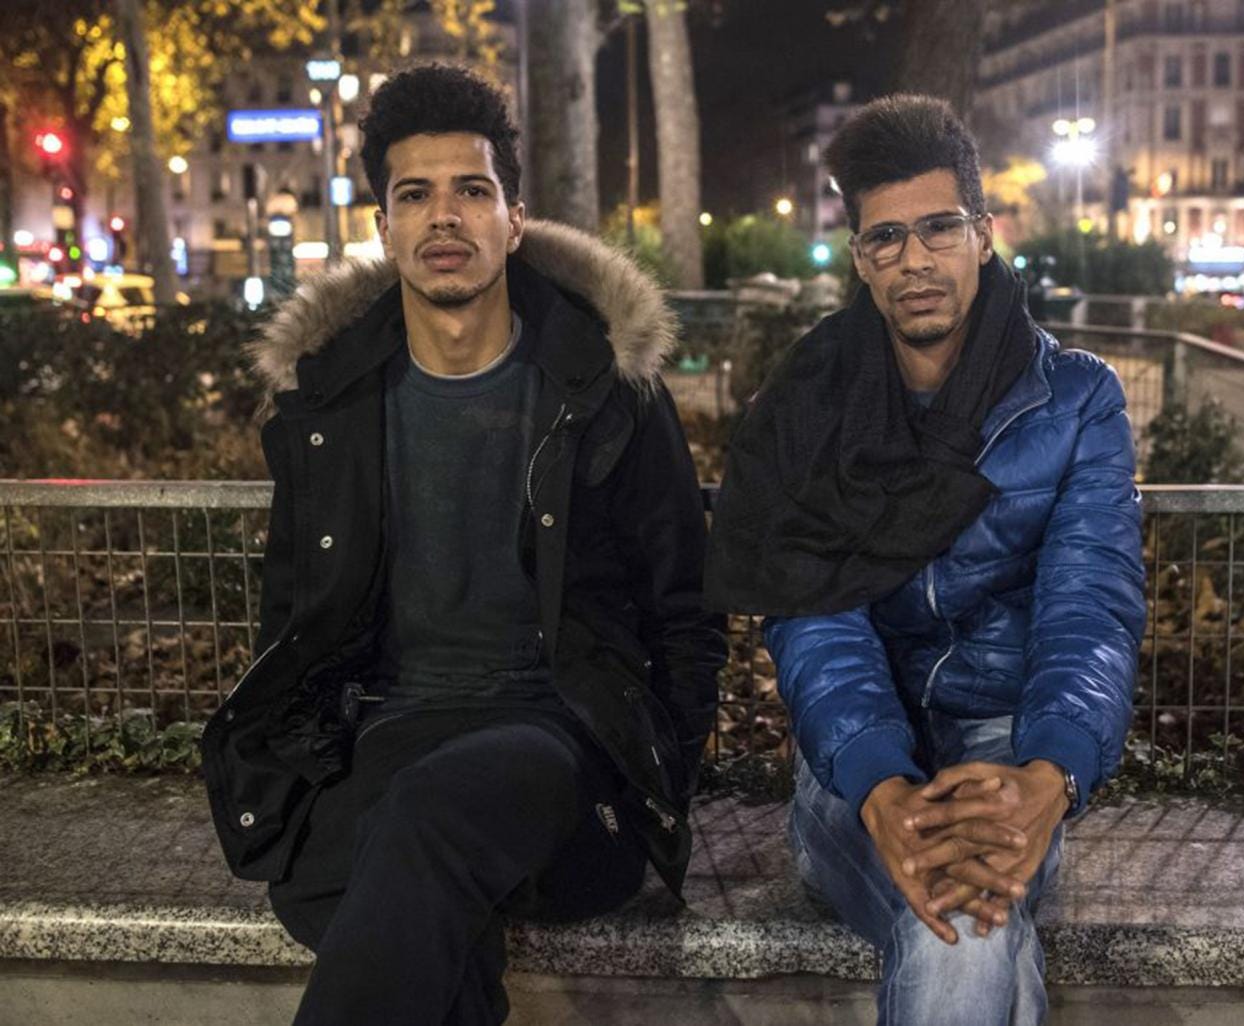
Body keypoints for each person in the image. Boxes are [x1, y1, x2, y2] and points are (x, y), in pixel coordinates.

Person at [200, 63, 727, 1026]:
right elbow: (294, 615)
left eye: (472, 191)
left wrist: (667, 776)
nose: (444, 216)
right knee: (410, 874)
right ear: (383, 227)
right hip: (386, 732)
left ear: (515, 220)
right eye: (415, 194)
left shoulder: (603, 391)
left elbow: (685, 612)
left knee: (412, 829)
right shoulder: (331, 408)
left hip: (557, 737)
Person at [705, 94, 1146, 1025]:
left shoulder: (1075, 401)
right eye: (886, 237)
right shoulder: (811, 400)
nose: (914, 259)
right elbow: (813, 614)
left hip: (1008, 752)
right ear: (860, 259)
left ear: (983, 235)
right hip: (855, 768)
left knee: (968, 926)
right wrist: (880, 783)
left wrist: (1049, 775)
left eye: (939, 228)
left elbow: (1091, 606)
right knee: (969, 921)